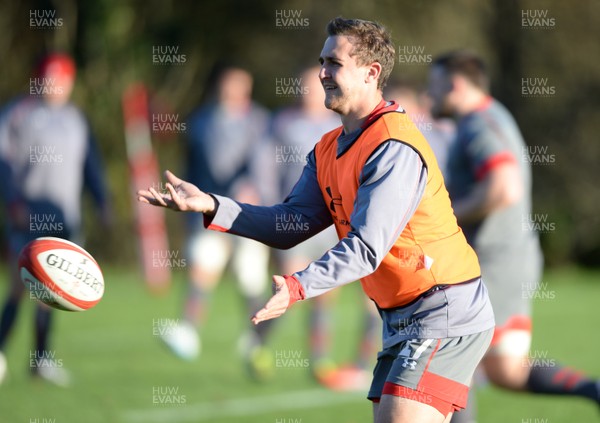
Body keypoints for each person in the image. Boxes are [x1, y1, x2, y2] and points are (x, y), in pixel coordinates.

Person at [139, 18, 495, 423]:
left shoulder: (393, 146)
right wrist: (212, 206)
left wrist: (295, 287)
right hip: (402, 316)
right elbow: (289, 223)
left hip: (443, 308)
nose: (323, 72)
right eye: (322, 61)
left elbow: (365, 249)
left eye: (334, 63)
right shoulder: (328, 147)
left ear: (371, 72)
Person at [427, 50, 600, 423]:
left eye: (435, 87)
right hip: (508, 260)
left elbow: (504, 187)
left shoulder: (479, 125)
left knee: (453, 359)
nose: (430, 96)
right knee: (507, 371)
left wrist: (446, 217)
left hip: (492, 263)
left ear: (455, 85)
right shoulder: (488, 119)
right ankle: (595, 391)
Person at [0, 53, 110, 386]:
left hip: (65, 217)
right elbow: (3, 163)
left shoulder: (76, 118)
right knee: (21, 286)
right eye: (49, 79)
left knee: (50, 292)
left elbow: (90, 165)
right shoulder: (18, 114)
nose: (55, 86)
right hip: (28, 215)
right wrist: (13, 201)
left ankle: (41, 361)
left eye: (62, 80)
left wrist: (103, 200)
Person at [159, 63, 275, 379]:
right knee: (202, 265)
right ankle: (188, 331)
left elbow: (264, 165)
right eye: (227, 86)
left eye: (239, 87)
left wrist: (255, 189)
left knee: (249, 279)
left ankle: (256, 341)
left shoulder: (261, 122)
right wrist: (189, 206)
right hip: (208, 208)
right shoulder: (200, 121)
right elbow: (191, 167)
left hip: (248, 213)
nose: (232, 93)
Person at [271, 65, 380, 390]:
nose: (314, 90)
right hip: (292, 219)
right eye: (307, 85)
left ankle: (329, 362)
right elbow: (266, 165)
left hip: (331, 223)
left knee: (328, 294)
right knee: (287, 290)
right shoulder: (283, 124)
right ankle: (257, 343)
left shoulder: (341, 128)